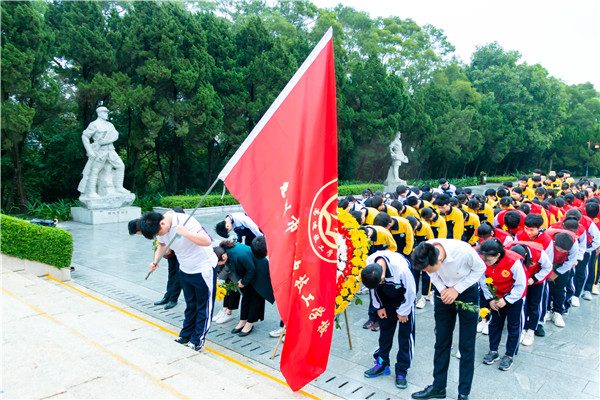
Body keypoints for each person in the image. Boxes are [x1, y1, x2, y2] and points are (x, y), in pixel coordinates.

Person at [411, 239, 486, 400]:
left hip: (466, 292)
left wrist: (456, 290)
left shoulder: (463, 251)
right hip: (443, 292)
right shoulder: (426, 249)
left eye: (428, 269)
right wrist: (445, 290)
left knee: (466, 345)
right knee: (441, 341)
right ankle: (438, 387)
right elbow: (433, 275)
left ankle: (463, 393)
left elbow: (480, 269)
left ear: (439, 259)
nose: (426, 272)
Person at [139, 211, 217, 351]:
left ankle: (198, 340)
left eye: (158, 233)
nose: (159, 236)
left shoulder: (186, 221)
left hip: (203, 268)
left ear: (162, 223)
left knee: (203, 306)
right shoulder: (161, 225)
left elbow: (207, 241)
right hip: (185, 269)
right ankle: (186, 334)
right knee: (190, 304)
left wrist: (186, 233)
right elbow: (162, 245)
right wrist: (155, 260)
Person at [361, 250, 416, 390]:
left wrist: (404, 311)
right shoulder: (370, 265)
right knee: (385, 332)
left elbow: (411, 291)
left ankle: (402, 371)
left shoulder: (401, 269)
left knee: (405, 336)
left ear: (383, 275)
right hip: (385, 298)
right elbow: (373, 289)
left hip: (404, 298)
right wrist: (379, 306)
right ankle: (382, 363)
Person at [477, 239, 527, 371]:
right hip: (495, 296)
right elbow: (483, 281)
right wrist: (491, 299)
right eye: (484, 258)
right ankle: (493, 351)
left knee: (513, 325)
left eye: (489, 259)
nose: (485, 261)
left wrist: (507, 300)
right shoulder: (483, 260)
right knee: (495, 323)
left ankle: (509, 355)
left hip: (513, 297)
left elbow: (521, 284)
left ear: (498, 255)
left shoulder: (513, 261)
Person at [213, 239, 274, 337]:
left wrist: (243, 281)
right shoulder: (224, 251)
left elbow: (251, 269)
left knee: (255, 296)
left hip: (259, 270)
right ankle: (243, 320)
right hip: (248, 271)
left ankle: (250, 323)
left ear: (223, 257)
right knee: (246, 295)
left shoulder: (239, 255)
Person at [128, 210, 183, 310]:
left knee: (178, 276)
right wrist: (155, 261)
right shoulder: (151, 227)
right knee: (171, 273)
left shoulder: (159, 223)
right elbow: (161, 244)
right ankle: (167, 296)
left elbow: (177, 236)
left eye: (138, 233)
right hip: (171, 254)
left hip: (180, 253)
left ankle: (173, 299)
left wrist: (169, 246)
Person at [78, 106, 128, 198]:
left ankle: (119, 187)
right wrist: (89, 150)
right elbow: (84, 136)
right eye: (104, 112)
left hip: (110, 150)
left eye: (107, 112)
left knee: (121, 166)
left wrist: (106, 141)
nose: (106, 114)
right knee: (95, 170)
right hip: (100, 151)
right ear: (99, 113)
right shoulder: (94, 124)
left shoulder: (109, 125)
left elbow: (116, 135)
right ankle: (91, 192)